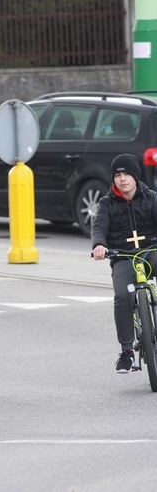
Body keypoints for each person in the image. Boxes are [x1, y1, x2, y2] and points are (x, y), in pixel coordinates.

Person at [92, 153, 157, 373]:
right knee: (122, 296)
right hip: (123, 256)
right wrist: (99, 245)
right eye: (118, 175)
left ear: (136, 176)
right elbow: (99, 226)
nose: (122, 179)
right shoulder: (106, 203)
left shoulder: (151, 198)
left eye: (127, 173)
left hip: (150, 251)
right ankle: (127, 352)